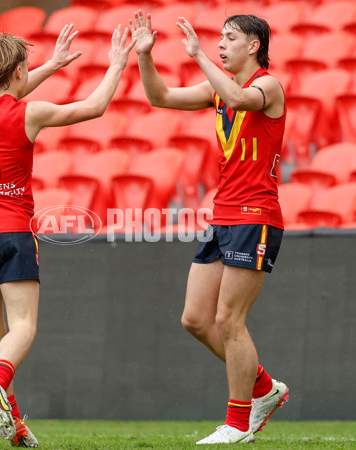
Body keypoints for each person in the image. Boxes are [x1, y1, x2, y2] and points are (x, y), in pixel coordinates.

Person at [0, 24, 135, 447]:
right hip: (12, 232)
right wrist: (117, 64)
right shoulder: (29, 114)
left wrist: (52, 64)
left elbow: (4, 91)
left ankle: (11, 421)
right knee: (24, 326)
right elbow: (93, 107)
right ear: (19, 72)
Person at [129, 10, 289, 445]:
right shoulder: (216, 90)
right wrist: (146, 56)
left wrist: (199, 55)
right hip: (222, 216)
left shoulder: (266, 85)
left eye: (230, 38)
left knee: (229, 319)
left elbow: (241, 100)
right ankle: (263, 387)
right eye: (218, 38)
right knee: (197, 319)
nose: (221, 43)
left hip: (255, 215)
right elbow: (159, 97)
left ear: (254, 46)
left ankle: (239, 423)